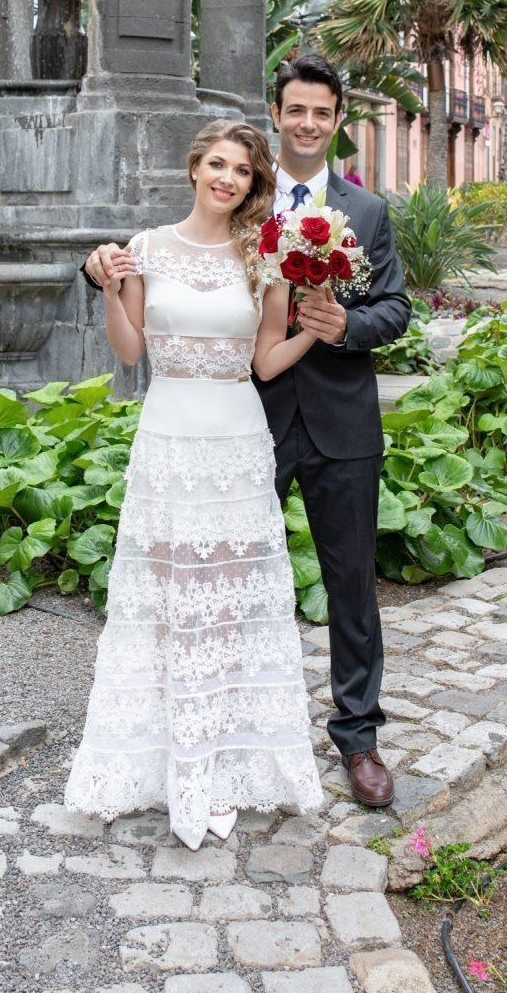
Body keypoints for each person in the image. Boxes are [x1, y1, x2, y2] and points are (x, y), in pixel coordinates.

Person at [83, 57, 412, 809]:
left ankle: (358, 738)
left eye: (320, 113)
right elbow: (167, 269)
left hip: (339, 423)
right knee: (218, 584)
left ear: (336, 120)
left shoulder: (366, 212)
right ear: (276, 113)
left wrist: (345, 323)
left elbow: (394, 308)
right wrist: (95, 263)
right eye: (294, 110)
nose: (306, 123)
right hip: (239, 425)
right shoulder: (243, 215)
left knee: (351, 585)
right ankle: (217, 726)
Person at [64, 119, 324, 851]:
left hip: (237, 444)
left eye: (242, 170)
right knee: (168, 604)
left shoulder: (262, 254)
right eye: (217, 163)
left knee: (229, 606)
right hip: (168, 439)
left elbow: (267, 362)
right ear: (193, 168)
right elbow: (129, 351)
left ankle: (220, 766)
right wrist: (111, 290)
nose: (228, 179)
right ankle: (159, 764)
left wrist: (321, 331)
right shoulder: (142, 248)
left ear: (252, 182)